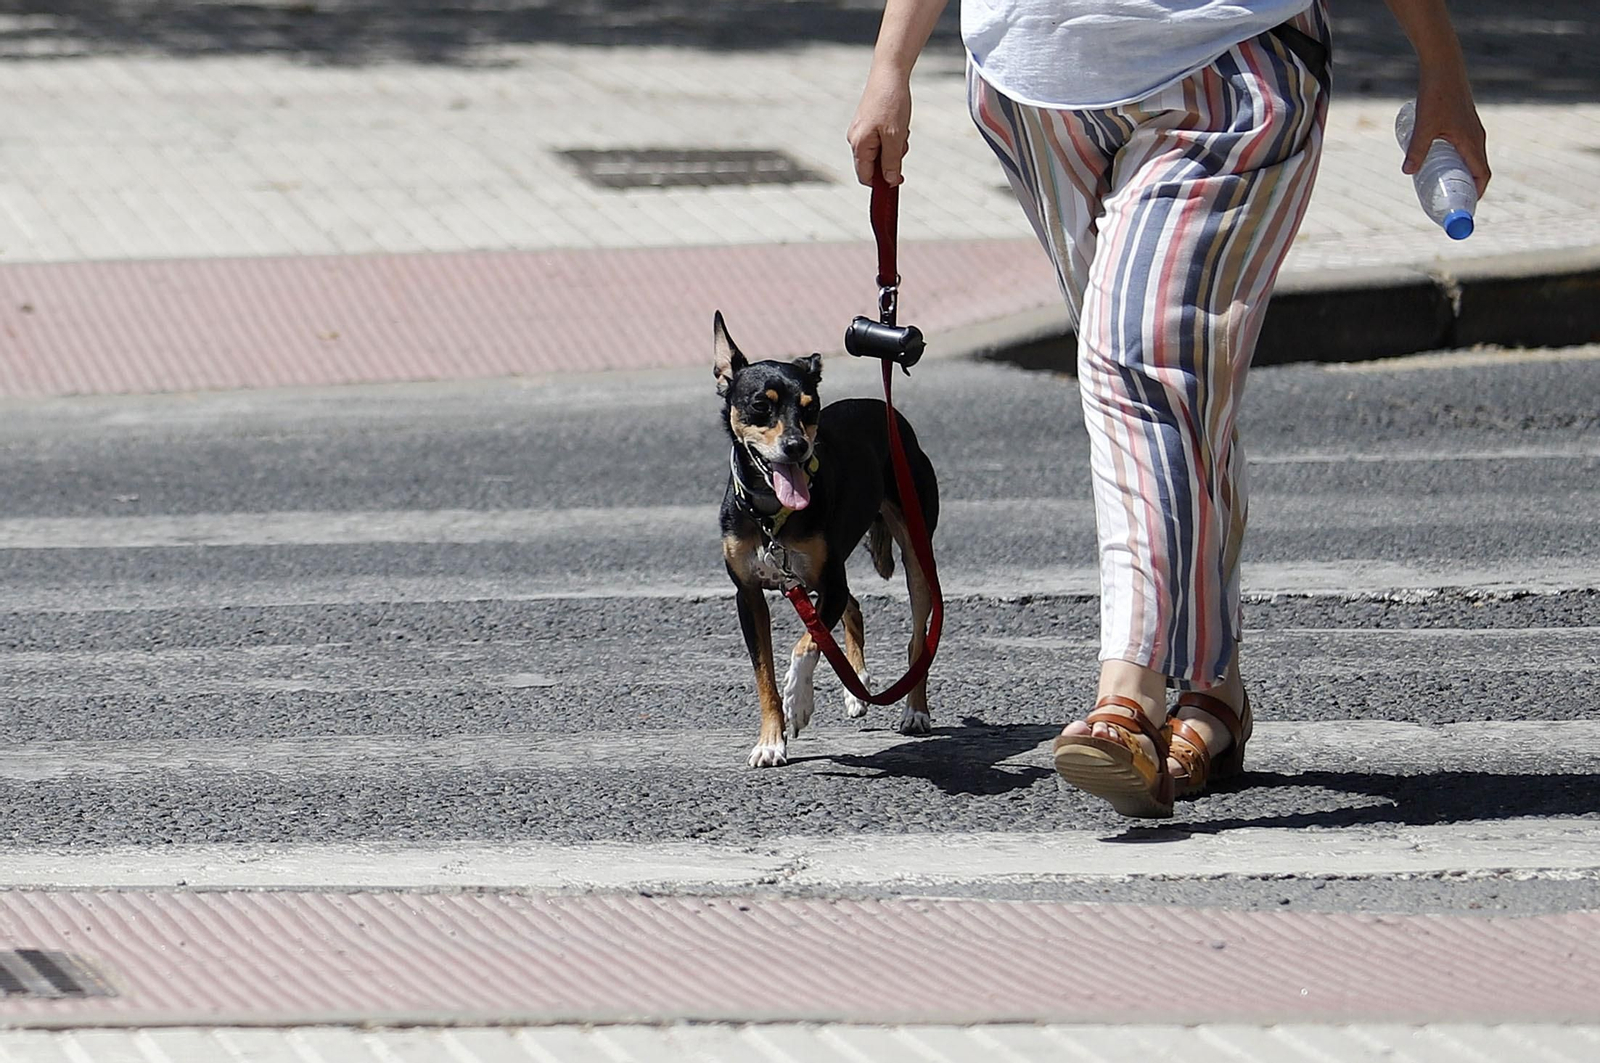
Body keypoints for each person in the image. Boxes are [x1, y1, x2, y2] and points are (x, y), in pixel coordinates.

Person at [848, 1, 1490, 818]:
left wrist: (1442, 62)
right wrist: (889, 64)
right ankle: (1214, 692)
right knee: (1178, 385)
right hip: (1032, 82)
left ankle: (1130, 694)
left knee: (1136, 361)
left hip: (1226, 64)